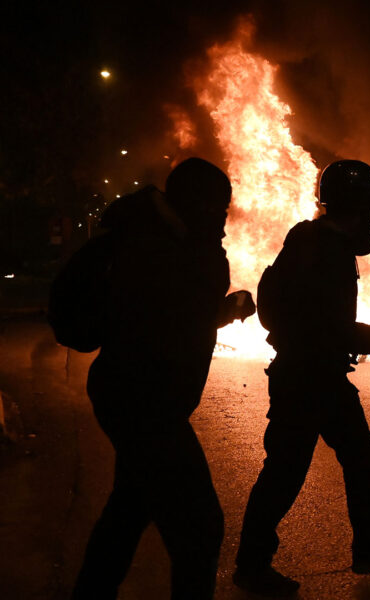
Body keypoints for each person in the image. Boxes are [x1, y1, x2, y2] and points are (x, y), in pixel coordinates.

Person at [233, 160, 370, 597]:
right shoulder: (327, 251)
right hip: (306, 378)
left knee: (361, 458)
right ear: (361, 205)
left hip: (321, 376)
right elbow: (330, 328)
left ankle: (369, 547)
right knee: (285, 473)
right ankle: (251, 566)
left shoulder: (312, 241)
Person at [71, 158, 256, 599]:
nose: (224, 222)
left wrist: (227, 309)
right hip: (146, 404)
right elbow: (170, 318)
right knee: (200, 530)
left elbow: (179, 317)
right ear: (199, 204)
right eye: (219, 211)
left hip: (134, 396)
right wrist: (216, 274)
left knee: (129, 509)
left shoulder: (164, 242)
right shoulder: (164, 249)